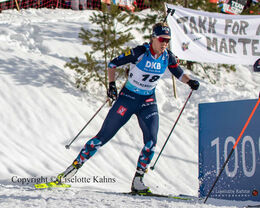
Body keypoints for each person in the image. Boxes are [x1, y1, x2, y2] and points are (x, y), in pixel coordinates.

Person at [57, 22, 200, 193]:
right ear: (153, 38)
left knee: (151, 141)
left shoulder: (167, 56)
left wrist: (190, 81)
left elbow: (179, 72)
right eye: (162, 39)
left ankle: (138, 181)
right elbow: (112, 64)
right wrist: (111, 86)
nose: (165, 43)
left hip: (148, 101)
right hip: (128, 99)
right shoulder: (139, 52)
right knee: (102, 137)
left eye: (168, 40)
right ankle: (71, 169)